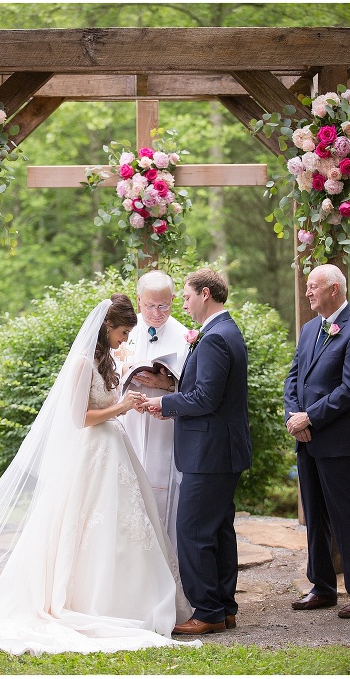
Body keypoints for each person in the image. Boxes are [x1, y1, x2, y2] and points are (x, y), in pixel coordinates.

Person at [0, 296, 200, 655]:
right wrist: (121, 406)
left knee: (125, 527)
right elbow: (79, 418)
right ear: (107, 327)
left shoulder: (105, 361)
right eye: (123, 332)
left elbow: (105, 408)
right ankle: (90, 604)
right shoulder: (82, 364)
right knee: (88, 529)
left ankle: (133, 601)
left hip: (113, 450)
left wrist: (129, 405)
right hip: (92, 452)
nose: (124, 340)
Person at [143, 268, 252, 635]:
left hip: (210, 452)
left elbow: (206, 397)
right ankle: (224, 608)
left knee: (192, 530)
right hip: (221, 450)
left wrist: (166, 405)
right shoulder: (224, 332)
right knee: (219, 529)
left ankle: (206, 611)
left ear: (205, 294)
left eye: (186, 297)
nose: (184, 306)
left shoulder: (216, 338)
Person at [283, 263, 350, 619]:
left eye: (314, 286)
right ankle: (322, 587)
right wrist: (293, 417)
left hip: (340, 443)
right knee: (315, 515)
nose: (308, 291)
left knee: (347, 516)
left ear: (335, 289)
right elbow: (293, 378)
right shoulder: (309, 327)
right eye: (308, 286)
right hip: (307, 439)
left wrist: (310, 416)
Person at [115, 271, 188, 550]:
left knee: (165, 489)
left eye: (164, 305)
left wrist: (169, 383)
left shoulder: (185, 336)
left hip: (165, 424)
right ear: (138, 301)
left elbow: (195, 387)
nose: (157, 313)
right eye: (149, 306)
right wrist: (125, 372)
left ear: (173, 300)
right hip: (129, 420)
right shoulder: (125, 334)